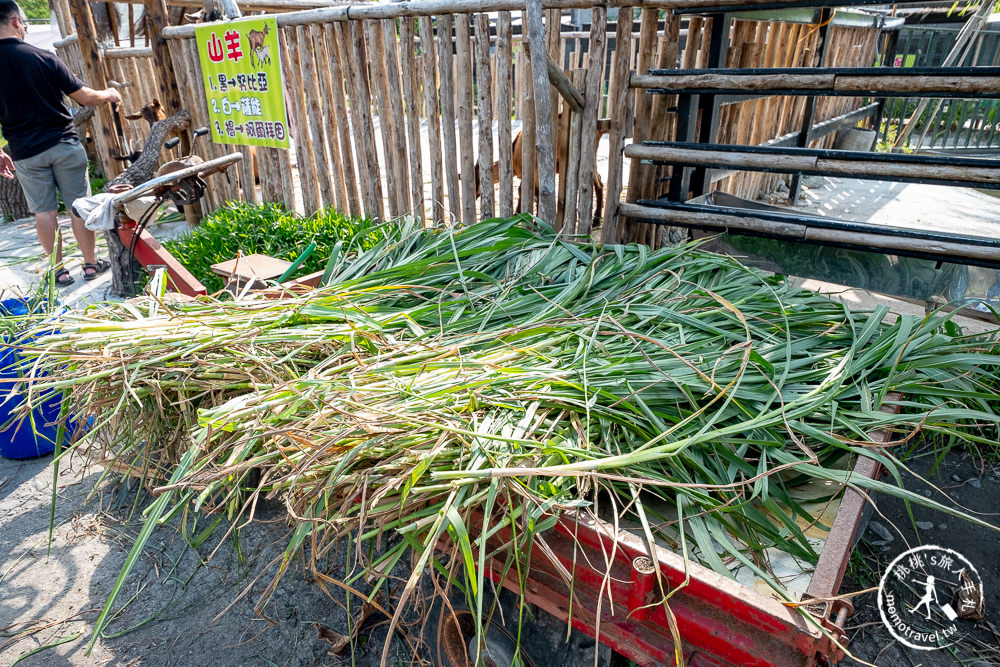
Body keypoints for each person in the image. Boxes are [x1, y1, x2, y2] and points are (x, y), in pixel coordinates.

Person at [0, 0, 122, 286]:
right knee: (78, 206)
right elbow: (85, 97)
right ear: (17, 22)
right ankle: (91, 264)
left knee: (44, 211)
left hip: (25, 152)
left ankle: (59, 270)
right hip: (63, 143)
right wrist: (110, 94)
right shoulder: (43, 57)